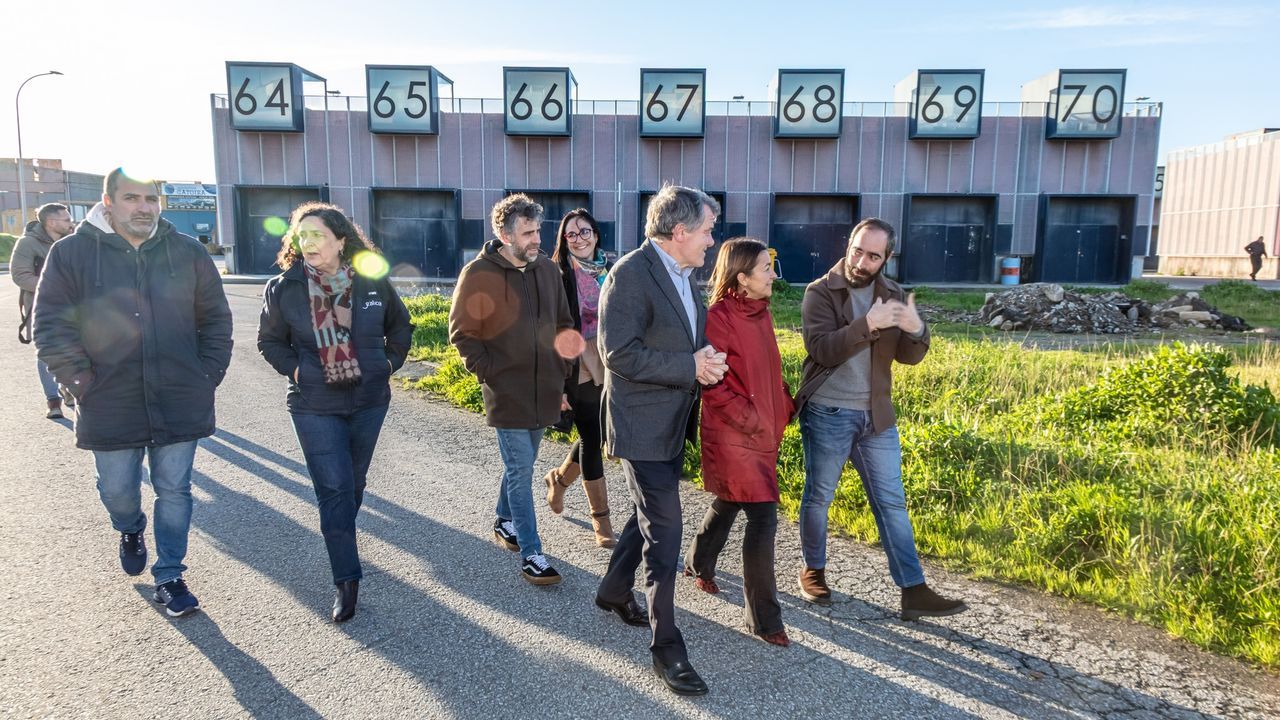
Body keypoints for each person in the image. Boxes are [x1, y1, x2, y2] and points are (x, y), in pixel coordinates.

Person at [33, 169, 233, 617]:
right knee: (119, 490)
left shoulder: (187, 251)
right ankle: (129, 527)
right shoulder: (72, 253)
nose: (143, 207)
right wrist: (80, 382)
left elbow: (216, 319)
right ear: (108, 202)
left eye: (150, 198)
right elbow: (51, 325)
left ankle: (170, 575)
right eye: (131, 198)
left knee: (175, 489)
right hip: (108, 398)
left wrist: (206, 376)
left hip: (180, 395)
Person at [794, 218, 966, 621]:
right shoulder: (820, 292)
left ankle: (913, 590)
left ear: (886, 258)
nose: (861, 261)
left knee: (892, 504)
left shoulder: (893, 294)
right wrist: (867, 325)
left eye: (873, 255)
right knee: (820, 497)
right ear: (848, 245)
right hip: (828, 411)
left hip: (878, 416)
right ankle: (813, 570)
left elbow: (909, 356)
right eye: (857, 250)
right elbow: (823, 350)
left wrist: (916, 328)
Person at [593, 185, 726, 697]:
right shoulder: (630, 274)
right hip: (641, 424)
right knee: (666, 533)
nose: (712, 240)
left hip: (673, 421)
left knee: (648, 513)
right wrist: (689, 366)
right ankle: (666, 646)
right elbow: (618, 354)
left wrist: (705, 360)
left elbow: (681, 340)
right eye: (708, 231)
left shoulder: (684, 274)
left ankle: (611, 589)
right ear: (680, 232)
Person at [257, 202, 412, 623]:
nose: (308, 243)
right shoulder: (284, 287)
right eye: (301, 236)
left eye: (318, 235)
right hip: (313, 404)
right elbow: (269, 342)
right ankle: (347, 580)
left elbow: (401, 326)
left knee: (353, 484)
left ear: (341, 241)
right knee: (335, 489)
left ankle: (340, 530)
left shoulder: (372, 280)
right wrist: (298, 369)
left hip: (368, 402)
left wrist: (388, 364)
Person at [449, 193, 575, 586]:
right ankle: (532, 553)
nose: (537, 239)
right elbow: (462, 333)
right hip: (507, 391)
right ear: (504, 234)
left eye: (538, 230)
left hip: (545, 388)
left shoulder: (549, 271)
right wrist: (491, 374)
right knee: (521, 470)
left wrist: (563, 372)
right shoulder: (478, 274)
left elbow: (564, 324)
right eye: (528, 232)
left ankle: (505, 520)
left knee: (522, 463)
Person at [684, 239, 794, 647]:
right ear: (742, 278)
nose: (772, 274)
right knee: (763, 518)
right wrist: (753, 420)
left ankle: (698, 562)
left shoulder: (761, 312)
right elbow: (713, 386)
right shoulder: (719, 318)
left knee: (730, 502)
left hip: (761, 432)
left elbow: (767, 370)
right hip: (734, 436)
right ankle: (765, 619)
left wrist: (782, 404)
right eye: (765, 267)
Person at [544, 208, 616, 548]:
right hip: (578, 364)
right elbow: (551, 332)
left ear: (596, 234)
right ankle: (601, 520)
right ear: (564, 239)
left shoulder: (611, 270)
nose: (579, 239)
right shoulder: (558, 275)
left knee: (598, 431)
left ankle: (558, 480)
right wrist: (558, 385)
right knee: (591, 436)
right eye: (571, 234)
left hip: (611, 360)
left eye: (584, 231)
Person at [11, 202, 75, 418]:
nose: (71, 223)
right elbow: (20, 276)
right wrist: (53, 287)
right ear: (51, 222)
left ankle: (68, 389)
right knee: (47, 354)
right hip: (41, 308)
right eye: (66, 219)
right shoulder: (27, 244)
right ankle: (53, 401)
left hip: (73, 308)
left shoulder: (73, 242)